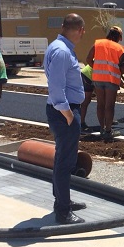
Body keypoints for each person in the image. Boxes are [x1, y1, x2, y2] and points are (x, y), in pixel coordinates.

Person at [44, 13, 88, 224]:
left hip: (63, 110)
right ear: (80, 30)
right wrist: (68, 113)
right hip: (65, 111)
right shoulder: (62, 52)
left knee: (62, 157)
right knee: (65, 161)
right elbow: (56, 87)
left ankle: (62, 200)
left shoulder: (57, 47)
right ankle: (63, 211)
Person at [91, 25, 124, 139]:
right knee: (109, 106)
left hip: (97, 78)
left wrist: (97, 68)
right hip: (111, 80)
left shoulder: (98, 43)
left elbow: (88, 59)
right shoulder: (120, 49)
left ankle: (102, 128)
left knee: (100, 104)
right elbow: (123, 69)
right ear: (119, 37)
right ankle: (108, 131)